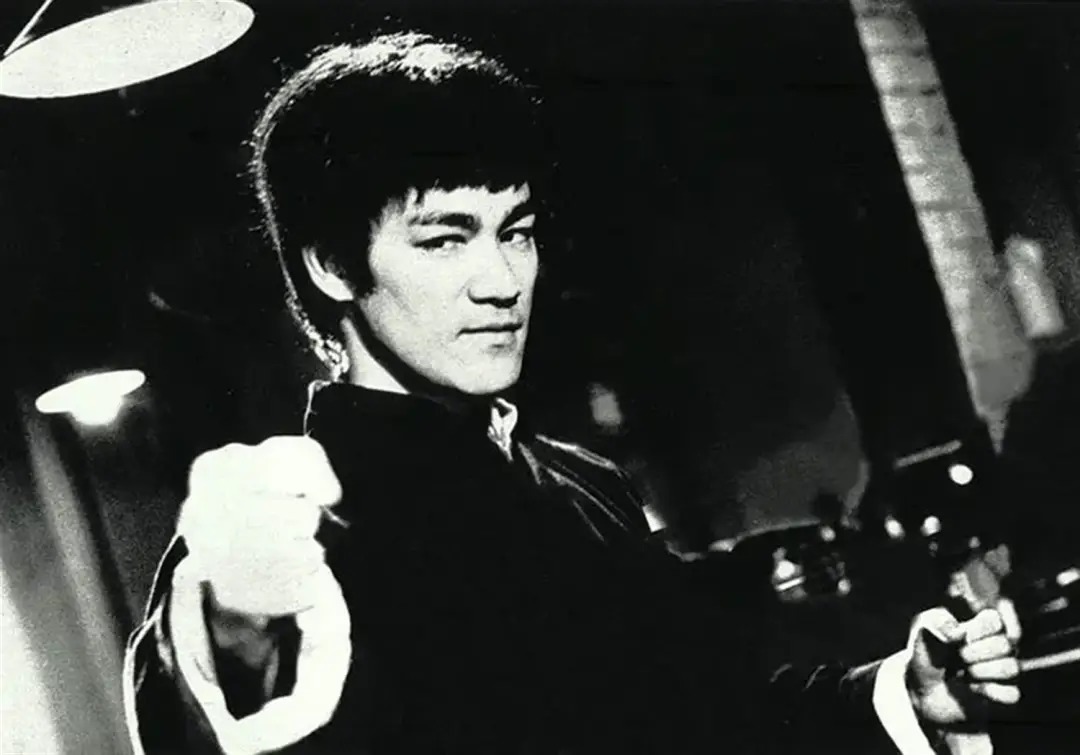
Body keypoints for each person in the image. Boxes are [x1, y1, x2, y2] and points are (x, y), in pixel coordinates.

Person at [123, 31, 1022, 755]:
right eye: (445, 239)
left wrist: (902, 695)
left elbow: (715, 716)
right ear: (330, 263)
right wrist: (237, 624)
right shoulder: (293, 530)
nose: (501, 281)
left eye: (514, 230)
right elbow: (215, 710)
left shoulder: (585, 483)